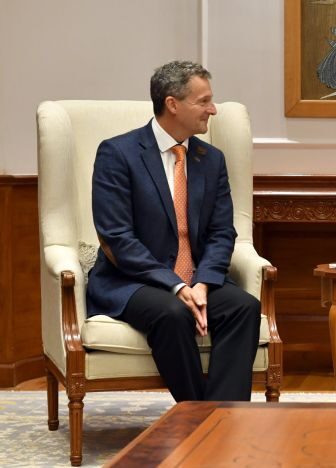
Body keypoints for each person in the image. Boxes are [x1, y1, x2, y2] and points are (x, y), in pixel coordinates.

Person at [87, 60, 261, 402]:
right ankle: (199, 417)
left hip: (197, 277)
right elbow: (116, 237)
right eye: (204, 101)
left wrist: (202, 283)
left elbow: (222, 232)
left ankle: (223, 419)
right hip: (133, 281)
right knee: (172, 313)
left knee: (244, 307)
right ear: (172, 104)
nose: (212, 109)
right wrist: (176, 285)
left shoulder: (211, 160)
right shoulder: (118, 153)